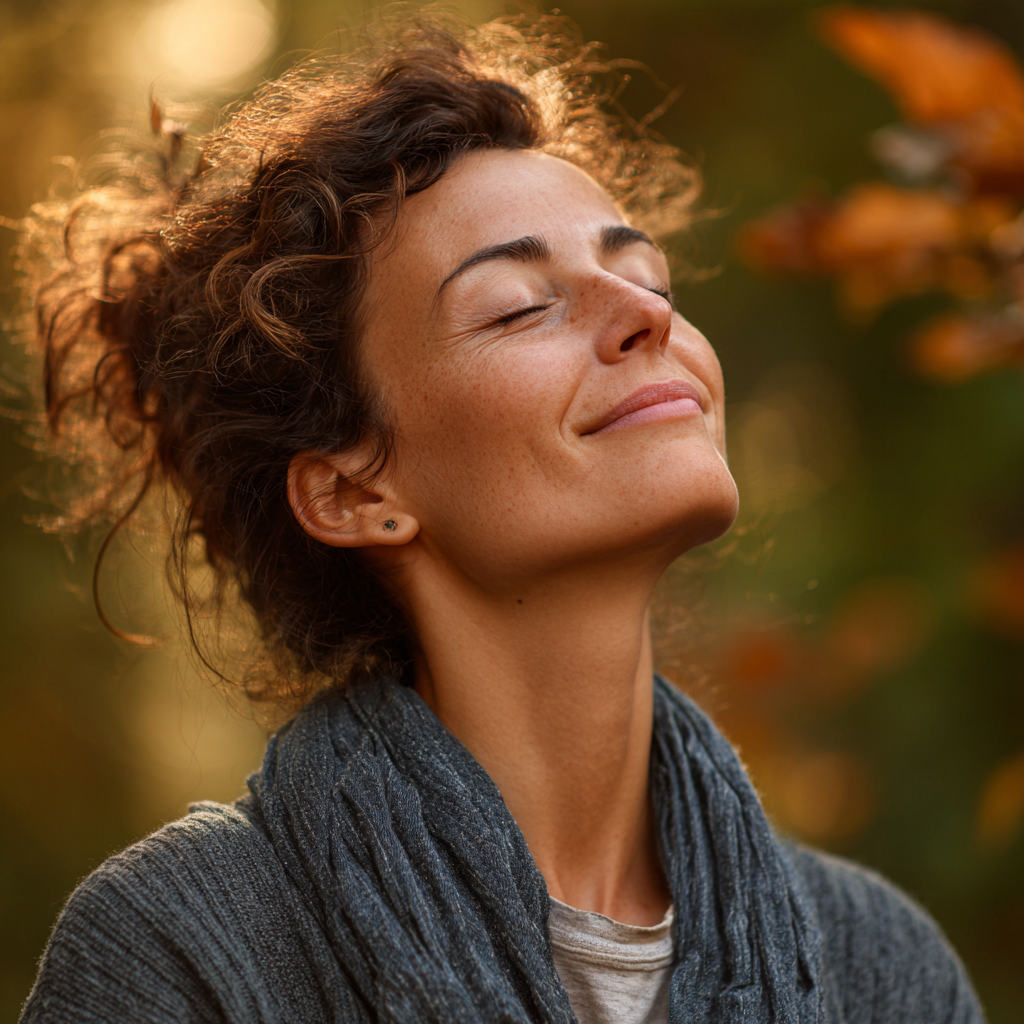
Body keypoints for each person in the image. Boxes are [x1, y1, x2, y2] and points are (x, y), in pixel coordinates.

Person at [17, 11, 983, 1024]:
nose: (646, 313)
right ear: (355, 492)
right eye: (521, 305)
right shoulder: (180, 954)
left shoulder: (880, 966)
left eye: (647, 276)